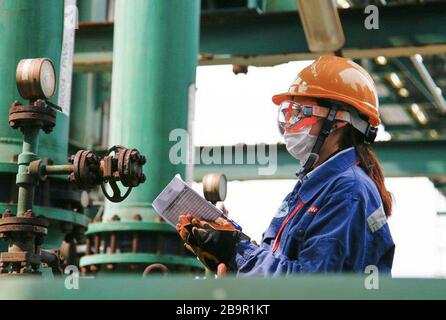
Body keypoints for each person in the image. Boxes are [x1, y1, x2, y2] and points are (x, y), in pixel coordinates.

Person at [176, 56, 395, 276]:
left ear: (338, 121)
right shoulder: (313, 187)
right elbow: (278, 269)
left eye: (300, 113)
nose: (289, 124)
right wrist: (226, 244)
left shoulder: (348, 191)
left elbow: (310, 286)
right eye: (287, 113)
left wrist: (234, 248)